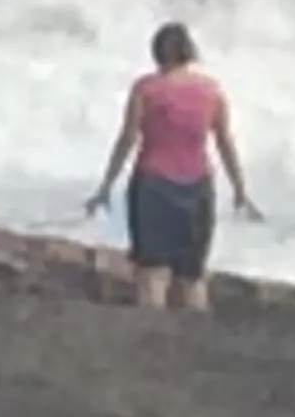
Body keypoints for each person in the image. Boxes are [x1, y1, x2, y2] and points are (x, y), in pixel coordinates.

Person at [87, 21, 258, 309]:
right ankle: (195, 344)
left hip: (153, 185)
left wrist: (106, 185)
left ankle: (152, 342)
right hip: (198, 186)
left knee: (152, 274)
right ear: (189, 52)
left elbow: (128, 138)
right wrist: (240, 190)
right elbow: (225, 143)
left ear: (156, 53)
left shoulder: (146, 90)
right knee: (192, 276)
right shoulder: (211, 92)